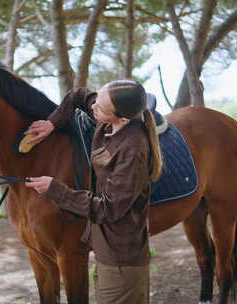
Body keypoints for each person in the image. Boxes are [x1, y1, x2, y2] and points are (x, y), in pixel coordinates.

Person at [25, 80, 162, 304]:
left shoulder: (132, 150)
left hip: (121, 258)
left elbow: (108, 209)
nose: (94, 106)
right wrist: (52, 123)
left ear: (123, 119)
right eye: (97, 99)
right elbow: (78, 95)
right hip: (105, 249)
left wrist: (56, 190)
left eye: (100, 107)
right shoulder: (108, 120)